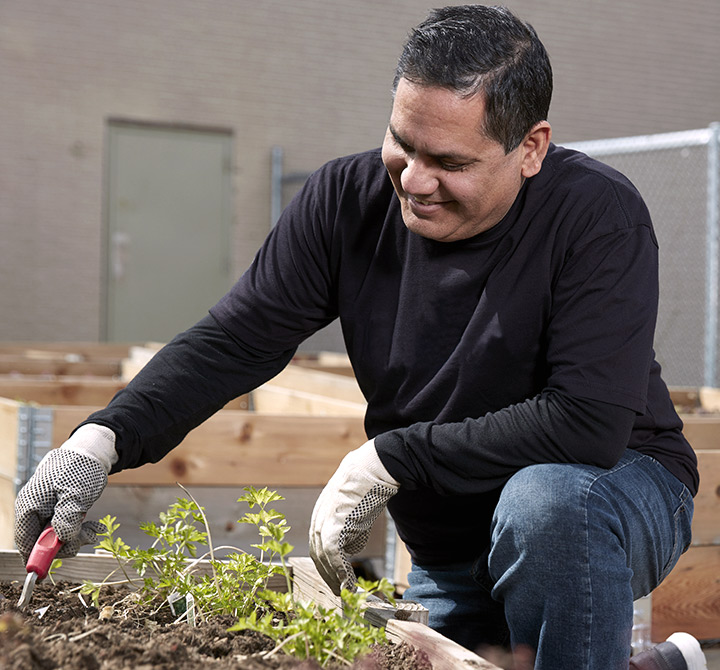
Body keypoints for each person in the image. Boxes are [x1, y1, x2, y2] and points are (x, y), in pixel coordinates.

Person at [14, 5, 704, 669]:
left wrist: (391, 459)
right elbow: (235, 338)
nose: (416, 181)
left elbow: (586, 423)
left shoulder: (596, 217)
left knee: (544, 506)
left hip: (613, 489)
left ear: (530, 149)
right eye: (403, 144)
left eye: (451, 163)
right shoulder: (345, 202)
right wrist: (102, 438)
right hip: (450, 535)